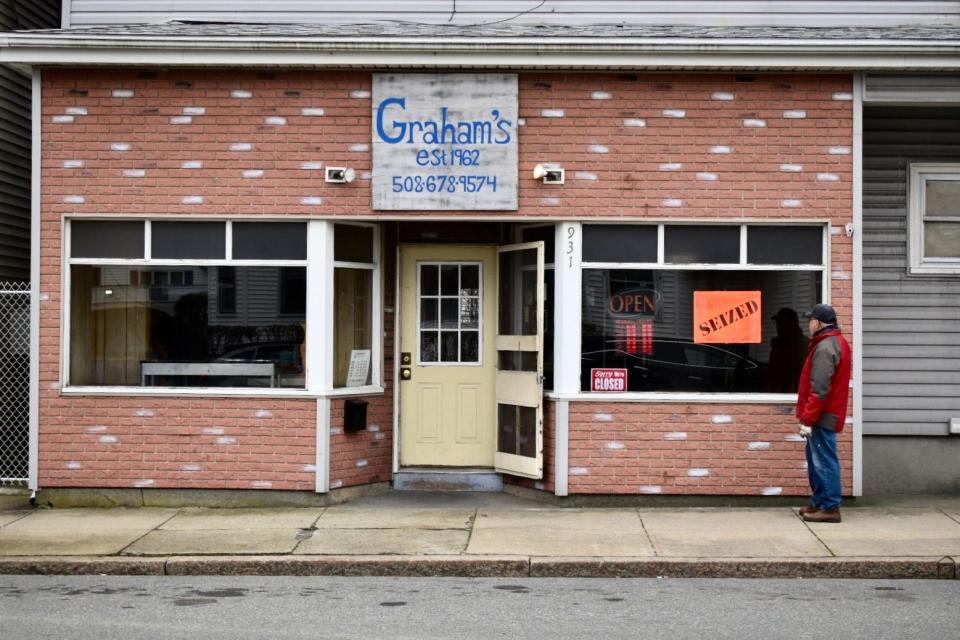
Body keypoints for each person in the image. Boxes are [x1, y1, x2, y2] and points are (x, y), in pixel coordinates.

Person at [795, 303, 852, 523]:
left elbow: (819, 388)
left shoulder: (826, 347)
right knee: (816, 459)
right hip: (824, 413)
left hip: (822, 416)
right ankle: (819, 502)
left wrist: (808, 419)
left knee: (823, 461)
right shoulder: (833, 343)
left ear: (817, 323)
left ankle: (830, 507)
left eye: (810, 320)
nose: (808, 324)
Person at [766, 307, 808, 393]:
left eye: (782, 323)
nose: (778, 327)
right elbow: (772, 375)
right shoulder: (777, 346)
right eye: (778, 323)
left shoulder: (803, 345)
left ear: (792, 324)